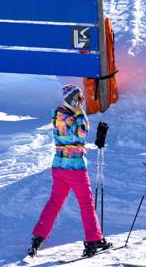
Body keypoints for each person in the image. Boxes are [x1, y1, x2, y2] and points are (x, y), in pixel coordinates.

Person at [26, 84, 111, 259]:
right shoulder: (72, 116)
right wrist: (81, 112)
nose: (82, 101)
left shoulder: (58, 114)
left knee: (55, 201)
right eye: (79, 98)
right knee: (86, 204)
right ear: (72, 99)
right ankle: (93, 239)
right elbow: (82, 132)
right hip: (75, 168)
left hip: (59, 166)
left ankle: (39, 235)